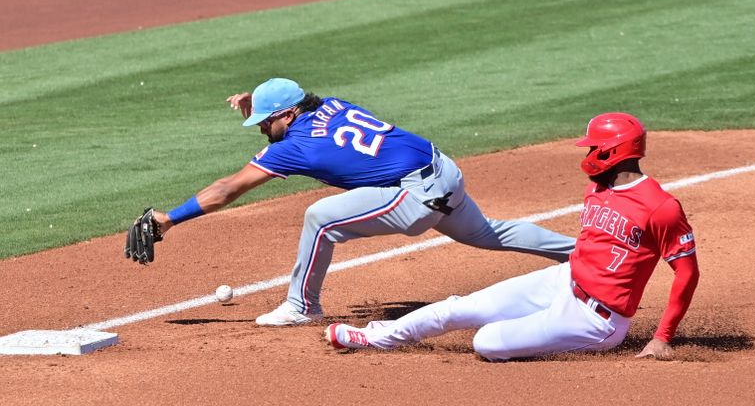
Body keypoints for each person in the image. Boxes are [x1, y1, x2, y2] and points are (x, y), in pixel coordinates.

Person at [134, 77, 575, 326]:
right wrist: (257, 104)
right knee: (488, 233)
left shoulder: (293, 146)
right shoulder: (330, 104)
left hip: (416, 196)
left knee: (320, 218)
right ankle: (581, 252)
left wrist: (169, 218)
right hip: (444, 170)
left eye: (265, 122)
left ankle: (302, 306)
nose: (261, 129)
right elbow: (301, 113)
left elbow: (226, 190)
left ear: (288, 115)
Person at [325, 112, 700, 360]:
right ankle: (376, 337)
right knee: (462, 307)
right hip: (564, 280)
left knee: (485, 342)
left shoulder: (660, 207)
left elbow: (687, 273)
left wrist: (662, 337)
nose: (587, 154)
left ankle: (548, 336)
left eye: (592, 147)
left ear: (614, 151)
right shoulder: (598, 189)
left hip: (597, 321)